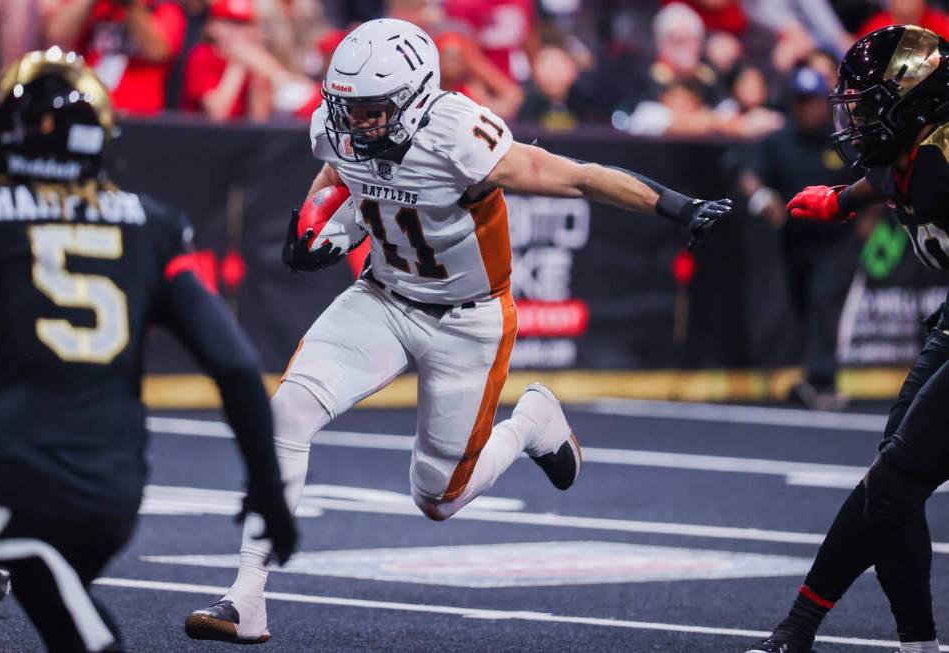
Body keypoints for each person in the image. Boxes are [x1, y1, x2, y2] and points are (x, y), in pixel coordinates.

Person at [184, 17, 732, 644]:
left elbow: (573, 174)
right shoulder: (338, 128)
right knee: (286, 413)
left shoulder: (461, 138)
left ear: (416, 99)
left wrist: (675, 204)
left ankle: (531, 422)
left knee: (439, 499)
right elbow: (339, 174)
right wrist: (319, 225)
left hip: (468, 319)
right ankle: (246, 596)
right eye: (347, 107)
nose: (355, 123)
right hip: (383, 298)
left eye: (371, 110)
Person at [0, 47, 297, 653]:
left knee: (59, 599)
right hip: (114, 492)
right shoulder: (151, 223)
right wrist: (268, 492)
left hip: (11, 482)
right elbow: (232, 364)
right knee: (54, 593)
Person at [744, 25, 949, 653]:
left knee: (893, 480)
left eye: (866, 103)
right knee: (892, 481)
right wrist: (838, 200)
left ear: (910, 99)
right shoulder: (917, 148)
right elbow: (890, 179)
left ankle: (801, 626)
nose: (855, 116)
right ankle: (899, 638)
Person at [737, 66, 858, 410]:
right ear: (794, 105)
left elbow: (874, 177)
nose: (810, 110)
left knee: (823, 298)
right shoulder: (778, 141)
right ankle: (813, 376)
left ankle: (823, 380)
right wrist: (763, 198)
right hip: (796, 240)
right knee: (803, 303)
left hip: (837, 239)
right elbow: (750, 174)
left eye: (815, 103)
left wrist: (869, 220)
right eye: (803, 103)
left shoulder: (843, 142)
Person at [39, 0, 187, 114]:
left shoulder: (162, 6)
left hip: (139, 116)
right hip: (88, 108)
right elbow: (57, 35)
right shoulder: (96, 8)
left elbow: (157, 51)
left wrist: (131, 5)